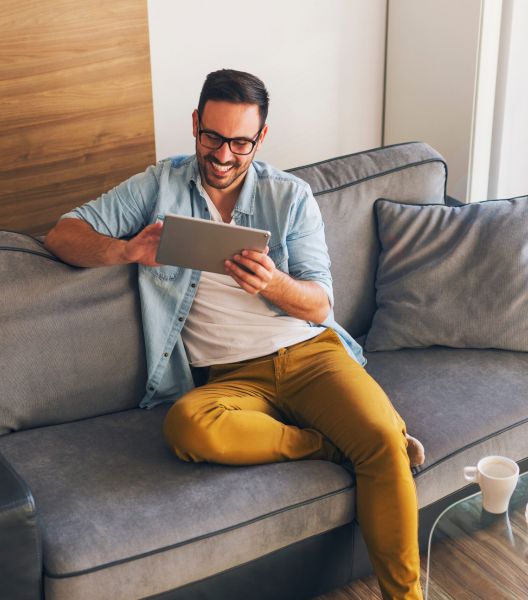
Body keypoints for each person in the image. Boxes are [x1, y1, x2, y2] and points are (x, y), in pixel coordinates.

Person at [44, 69, 424, 600]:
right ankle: (329, 445)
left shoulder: (290, 196)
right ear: (195, 124)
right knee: (188, 427)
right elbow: (64, 233)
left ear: (260, 138)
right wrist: (127, 250)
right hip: (231, 380)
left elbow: (320, 303)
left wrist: (274, 284)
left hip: (310, 355)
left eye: (240, 142)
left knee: (383, 443)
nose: (223, 156)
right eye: (212, 137)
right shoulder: (161, 185)